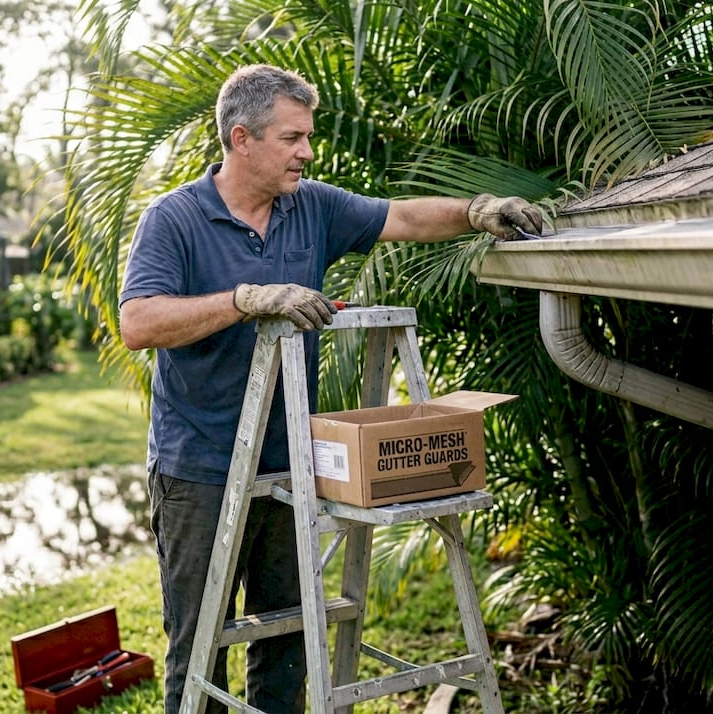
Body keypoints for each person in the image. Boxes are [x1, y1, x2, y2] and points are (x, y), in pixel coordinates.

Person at [119, 63, 542, 714]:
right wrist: (245, 298)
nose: (307, 152)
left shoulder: (311, 206)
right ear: (241, 139)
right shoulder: (173, 219)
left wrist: (476, 210)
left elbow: (401, 217)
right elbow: (139, 322)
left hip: (290, 467)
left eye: (307, 137)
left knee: (286, 638)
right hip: (200, 469)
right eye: (291, 138)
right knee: (199, 647)